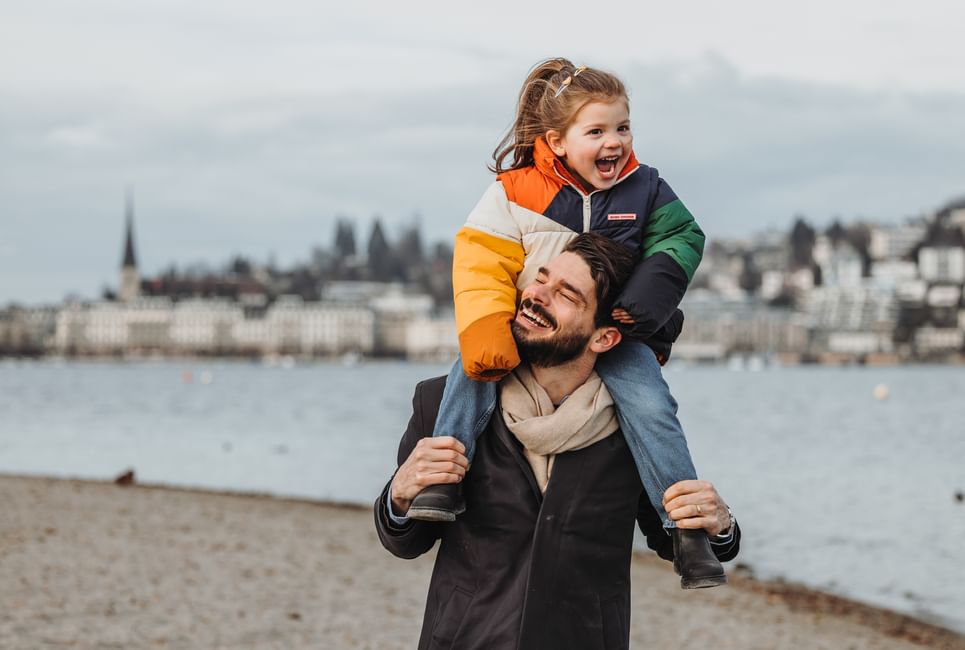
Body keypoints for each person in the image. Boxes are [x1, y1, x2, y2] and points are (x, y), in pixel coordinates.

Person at [406, 57, 716, 585]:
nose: (614, 142)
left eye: (622, 127)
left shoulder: (647, 189)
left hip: (609, 334)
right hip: (520, 327)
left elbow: (681, 239)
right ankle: (442, 484)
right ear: (556, 141)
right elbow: (482, 259)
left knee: (653, 406)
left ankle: (687, 530)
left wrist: (643, 301)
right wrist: (485, 328)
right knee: (470, 376)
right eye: (596, 130)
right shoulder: (515, 191)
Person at [374, 234, 740, 650]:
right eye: (541, 280)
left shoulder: (636, 428)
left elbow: (674, 541)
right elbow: (405, 541)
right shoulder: (440, 402)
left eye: (566, 295)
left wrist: (720, 522)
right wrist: (399, 496)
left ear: (604, 337)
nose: (536, 296)